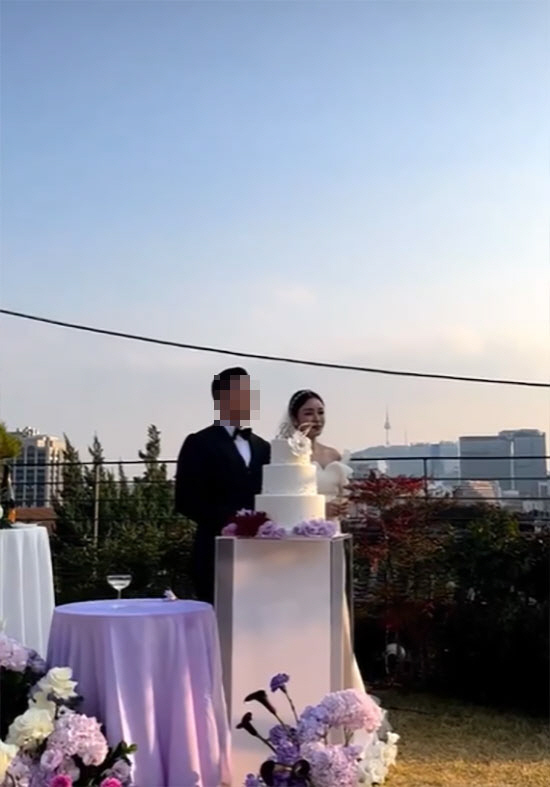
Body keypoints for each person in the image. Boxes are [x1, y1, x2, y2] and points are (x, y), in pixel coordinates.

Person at [282, 389, 364, 694]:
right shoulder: (287, 454)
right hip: (300, 540)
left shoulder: (334, 455)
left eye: (320, 412)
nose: (316, 419)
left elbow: (347, 497)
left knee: (332, 606)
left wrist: (341, 507)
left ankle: (335, 678)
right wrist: (320, 509)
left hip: (332, 535)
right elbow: (286, 501)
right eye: (308, 412)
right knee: (301, 607)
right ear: (294, 418)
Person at [175, 367, 270, 604]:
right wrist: (233, 522)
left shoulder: (263, 447)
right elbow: (186, 501)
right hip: (215, 551)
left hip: (259, 553)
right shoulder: (199, 442)